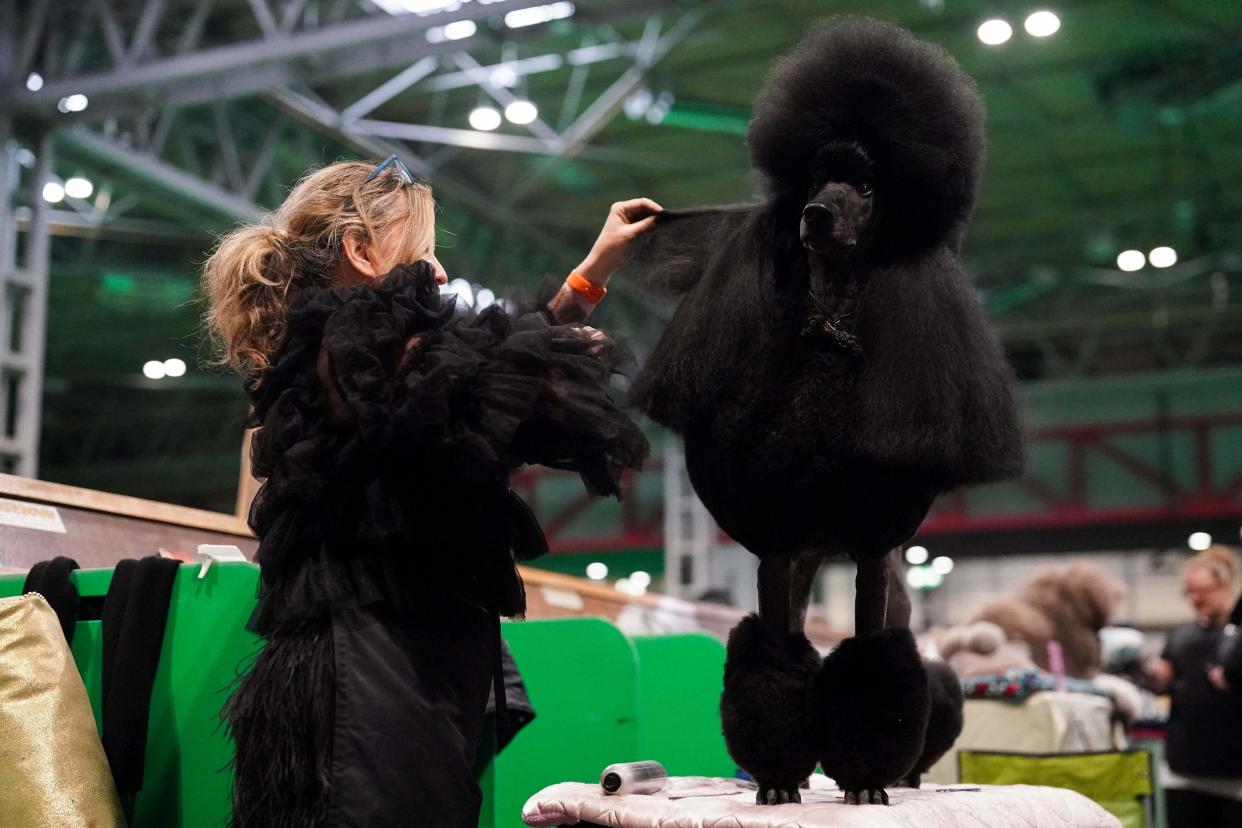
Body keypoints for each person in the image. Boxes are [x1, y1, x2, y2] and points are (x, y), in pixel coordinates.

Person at [202, 155, 659, 827]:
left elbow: (489, 379)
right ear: (360, 251)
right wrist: (578, 300)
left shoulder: (365, 359)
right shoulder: (356, 346)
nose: (440, 272)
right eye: (421, 253)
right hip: (373, 677)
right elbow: (495, 380)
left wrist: (590, 277)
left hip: (398, 666)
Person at [1146, 545, 1242, 827]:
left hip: (1234, 775)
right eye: (1188, 592)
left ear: (1225, 586)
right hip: (1183, 772)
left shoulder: (1237, 637)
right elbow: (1162, 684)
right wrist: (1151, 675)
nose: (1194, 599)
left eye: (1201, 591)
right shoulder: (1180, 634)